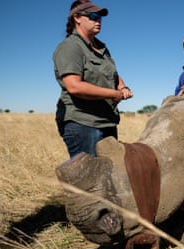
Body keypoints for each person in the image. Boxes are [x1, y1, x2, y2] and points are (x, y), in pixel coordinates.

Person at [53, 0, 133, 158]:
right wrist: (113, 94)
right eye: (93, 16)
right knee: (87, 179)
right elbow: (74, 86)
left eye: (100, 17)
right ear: (77, 18)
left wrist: (122, 87)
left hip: (107, 122)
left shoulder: (101, 48)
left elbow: (113, 74)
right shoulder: (71, 47)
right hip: (83, 124)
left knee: (110, 175)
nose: (98, 20)